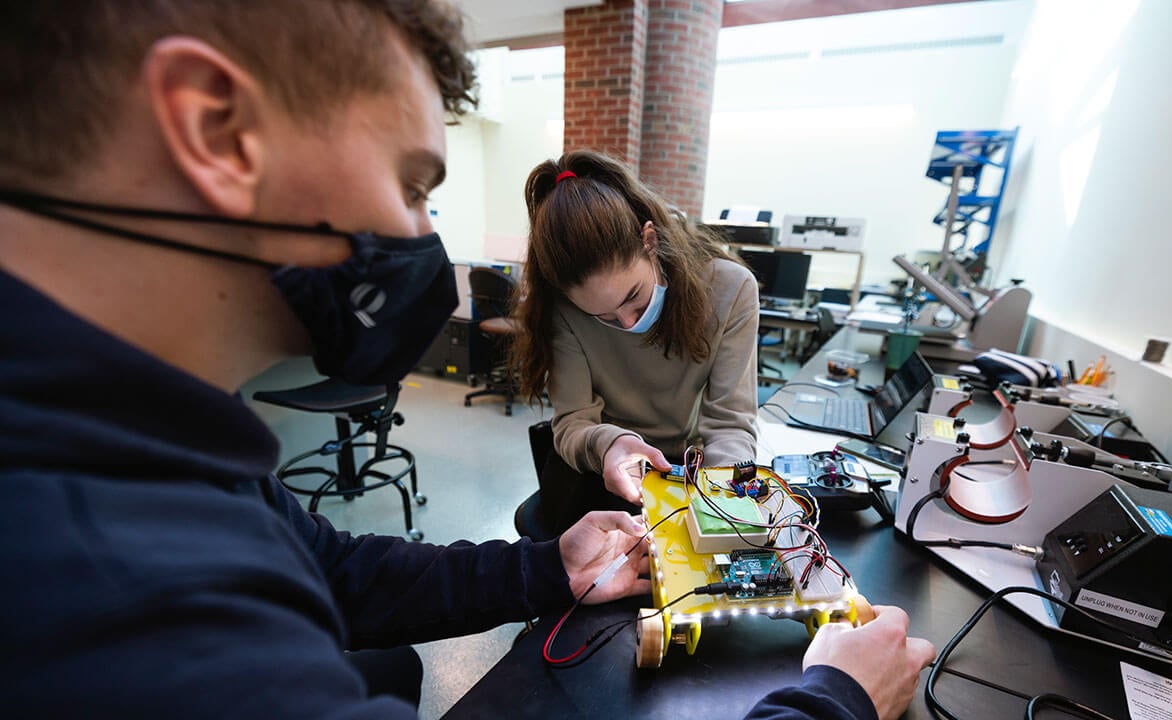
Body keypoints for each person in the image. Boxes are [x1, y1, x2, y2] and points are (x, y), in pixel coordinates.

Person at [0, 1, 933, 718]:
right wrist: (835, 701)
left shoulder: (162, 451)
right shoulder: (103, 591)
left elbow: (336, 570)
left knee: (396, 662)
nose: (421, 233)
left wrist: (542, 573)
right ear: (216, 131)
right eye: (413, 183)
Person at [513, 150, 761, 533]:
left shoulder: (731, 290)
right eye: (604, 317)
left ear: (649, 240)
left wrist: (722, 497)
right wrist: (609, 446)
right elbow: (573, 423)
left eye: (633, 297)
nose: (628, 323)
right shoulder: (563, 311)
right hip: (602, 472)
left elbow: (729, 423)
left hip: (687, 471)